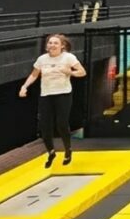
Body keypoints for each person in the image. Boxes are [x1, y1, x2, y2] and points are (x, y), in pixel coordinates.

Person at [18, 33, 86, 168]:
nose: (52, 45)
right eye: (50, 43)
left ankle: (68, 150)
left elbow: (82, 72)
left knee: (61, 124)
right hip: (46, 94)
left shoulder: (68, 57)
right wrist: (24, 87)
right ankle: (51, 152)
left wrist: (70, 72)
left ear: (62, 46)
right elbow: (34, 74)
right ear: (46, 46)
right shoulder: (42, 59)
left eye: (55, 43)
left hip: (63, 94)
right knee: (45, 126)